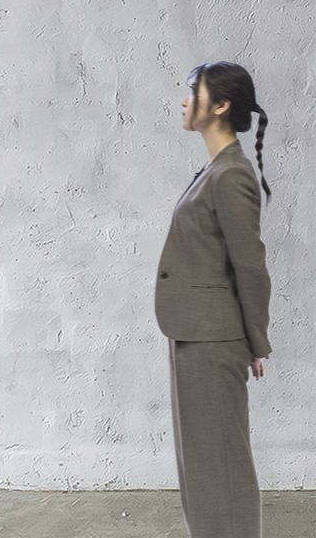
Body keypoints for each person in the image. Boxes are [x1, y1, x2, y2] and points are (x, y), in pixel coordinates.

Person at [155, 61, 273, 538]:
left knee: (221, 465)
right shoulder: (215, 170)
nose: (186, 101)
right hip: (194, 333)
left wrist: (256, 342)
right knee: (203, 467)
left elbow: (250, 265)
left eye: (194, 92)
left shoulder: (232, 175)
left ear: (220, 105)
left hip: (213, 340)